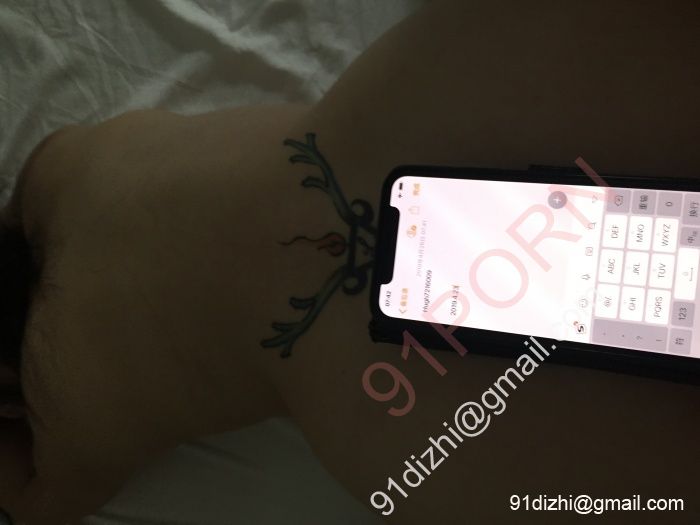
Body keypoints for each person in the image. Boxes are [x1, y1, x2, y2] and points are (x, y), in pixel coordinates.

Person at [1, 0, 698, 523]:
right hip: (377, 116)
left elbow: (30, 508)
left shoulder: (66, 421)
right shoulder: (54, 171)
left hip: (358, 383)